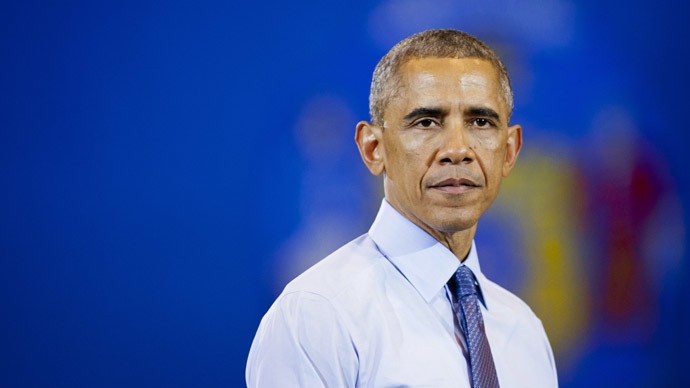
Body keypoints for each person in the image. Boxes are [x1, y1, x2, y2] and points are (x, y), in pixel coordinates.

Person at [246, 29, 558, 388]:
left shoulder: (526, 332)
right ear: (373, 149)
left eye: (480, 122)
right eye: (426, 122)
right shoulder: (318, 315)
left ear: (509, 150)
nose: (457, 149)